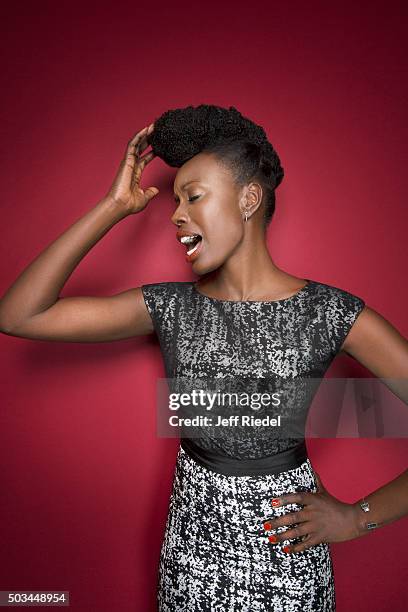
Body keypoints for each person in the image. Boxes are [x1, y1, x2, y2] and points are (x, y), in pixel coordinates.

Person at [0, 104, 407, 611]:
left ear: (249, 199)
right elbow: (21, 315)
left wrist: (359, 516)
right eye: (174, 201)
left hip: (287, 563)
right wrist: (112, 206)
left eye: (193, 196)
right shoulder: (169, 307)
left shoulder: (332, 314)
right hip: (188, 558)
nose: (175, 215)